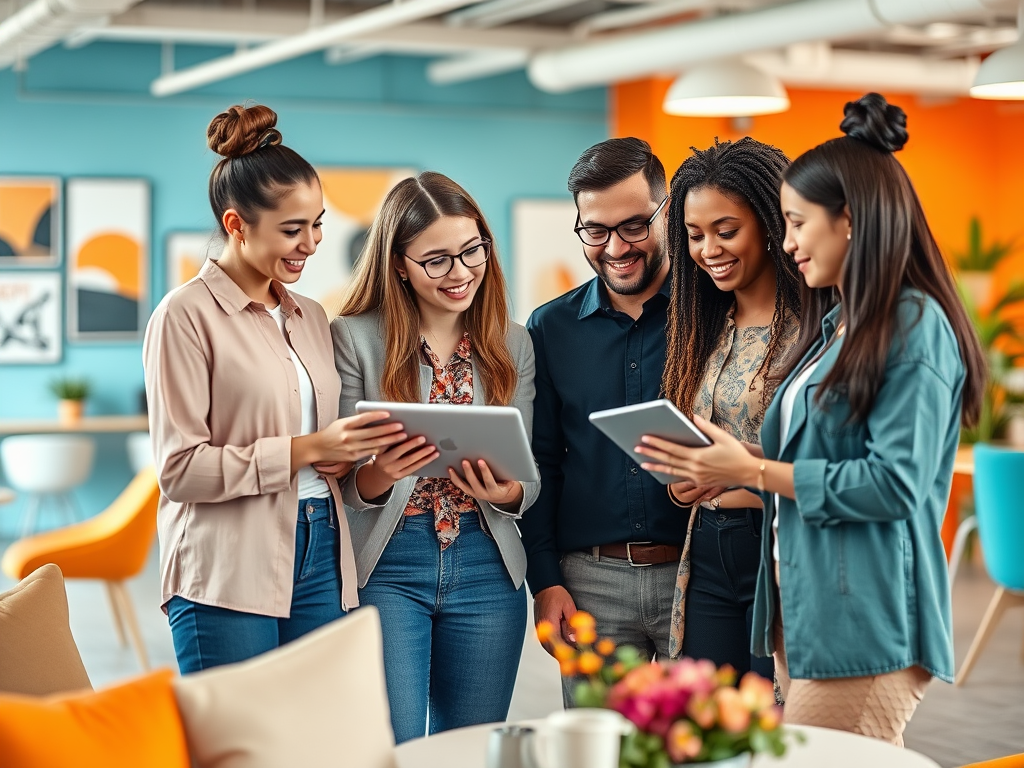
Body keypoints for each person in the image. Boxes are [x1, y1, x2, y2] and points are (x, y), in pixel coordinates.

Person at [636, 93, 985, 745]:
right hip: (807, 615)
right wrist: (722, 471)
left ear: (849, 221)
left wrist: (753, 470)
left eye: (796, 222)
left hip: (864, 623)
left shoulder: (912, 325)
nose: (788, 242)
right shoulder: (838, 327)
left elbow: (894, 485)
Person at [144, 104, 406, 673]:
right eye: (292, 229)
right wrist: (309, 450)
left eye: (317, 225)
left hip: (321, 550)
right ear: (236, 224)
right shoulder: (183, 316)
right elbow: (181, 470)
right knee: (239, 748)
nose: (310, 243)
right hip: (226, 564)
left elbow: (324, 440)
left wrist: (347, 454)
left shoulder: (312, 316)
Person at [331, 171, 538, 743]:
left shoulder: (512, 342)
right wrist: (379, 472)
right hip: (389, 562)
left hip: (486, 562)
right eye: (437, 260)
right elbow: (343, 482)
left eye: (472, 251)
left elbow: (529, 472)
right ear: (399, 264)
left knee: (469, 745)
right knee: (392, 742)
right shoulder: (353, 338)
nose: (461, 272)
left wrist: (510, 491)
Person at [519, 137, 680, 704]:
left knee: (707, 747)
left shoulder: (712, 313)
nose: (615, 247)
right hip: (591, 583)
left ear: (668, 212)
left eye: (635, 226)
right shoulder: (550, 328)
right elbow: (541, 462)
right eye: (595, 230)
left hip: (698, 575)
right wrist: (546, 580)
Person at [655, 137, 799, 679]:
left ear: (770, 222)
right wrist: (679, 481)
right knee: (708, 724)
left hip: (778, 546)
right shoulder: (701, 326)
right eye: (694, 235)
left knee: (779, 727)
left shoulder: (819, 330)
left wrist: (734, 474)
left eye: (726, 231)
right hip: (707, 550)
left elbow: (823, 464)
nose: (708, 249)